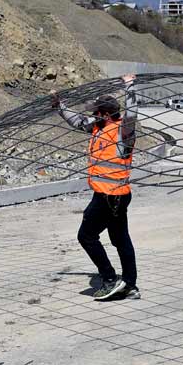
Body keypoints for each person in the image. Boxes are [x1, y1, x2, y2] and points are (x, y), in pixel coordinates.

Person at [53, 75, 139, 301]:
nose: (92, 115)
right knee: (120, 239)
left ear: (105, 114)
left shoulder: (123, 132)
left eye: (96, 112)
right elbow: (77, 121)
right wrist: (60, 107)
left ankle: (110, 278)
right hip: (111, 194)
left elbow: (132, 114)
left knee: (86, 236)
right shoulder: (97, 128)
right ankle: (130, 285)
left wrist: (129, 86)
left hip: (110, 197)